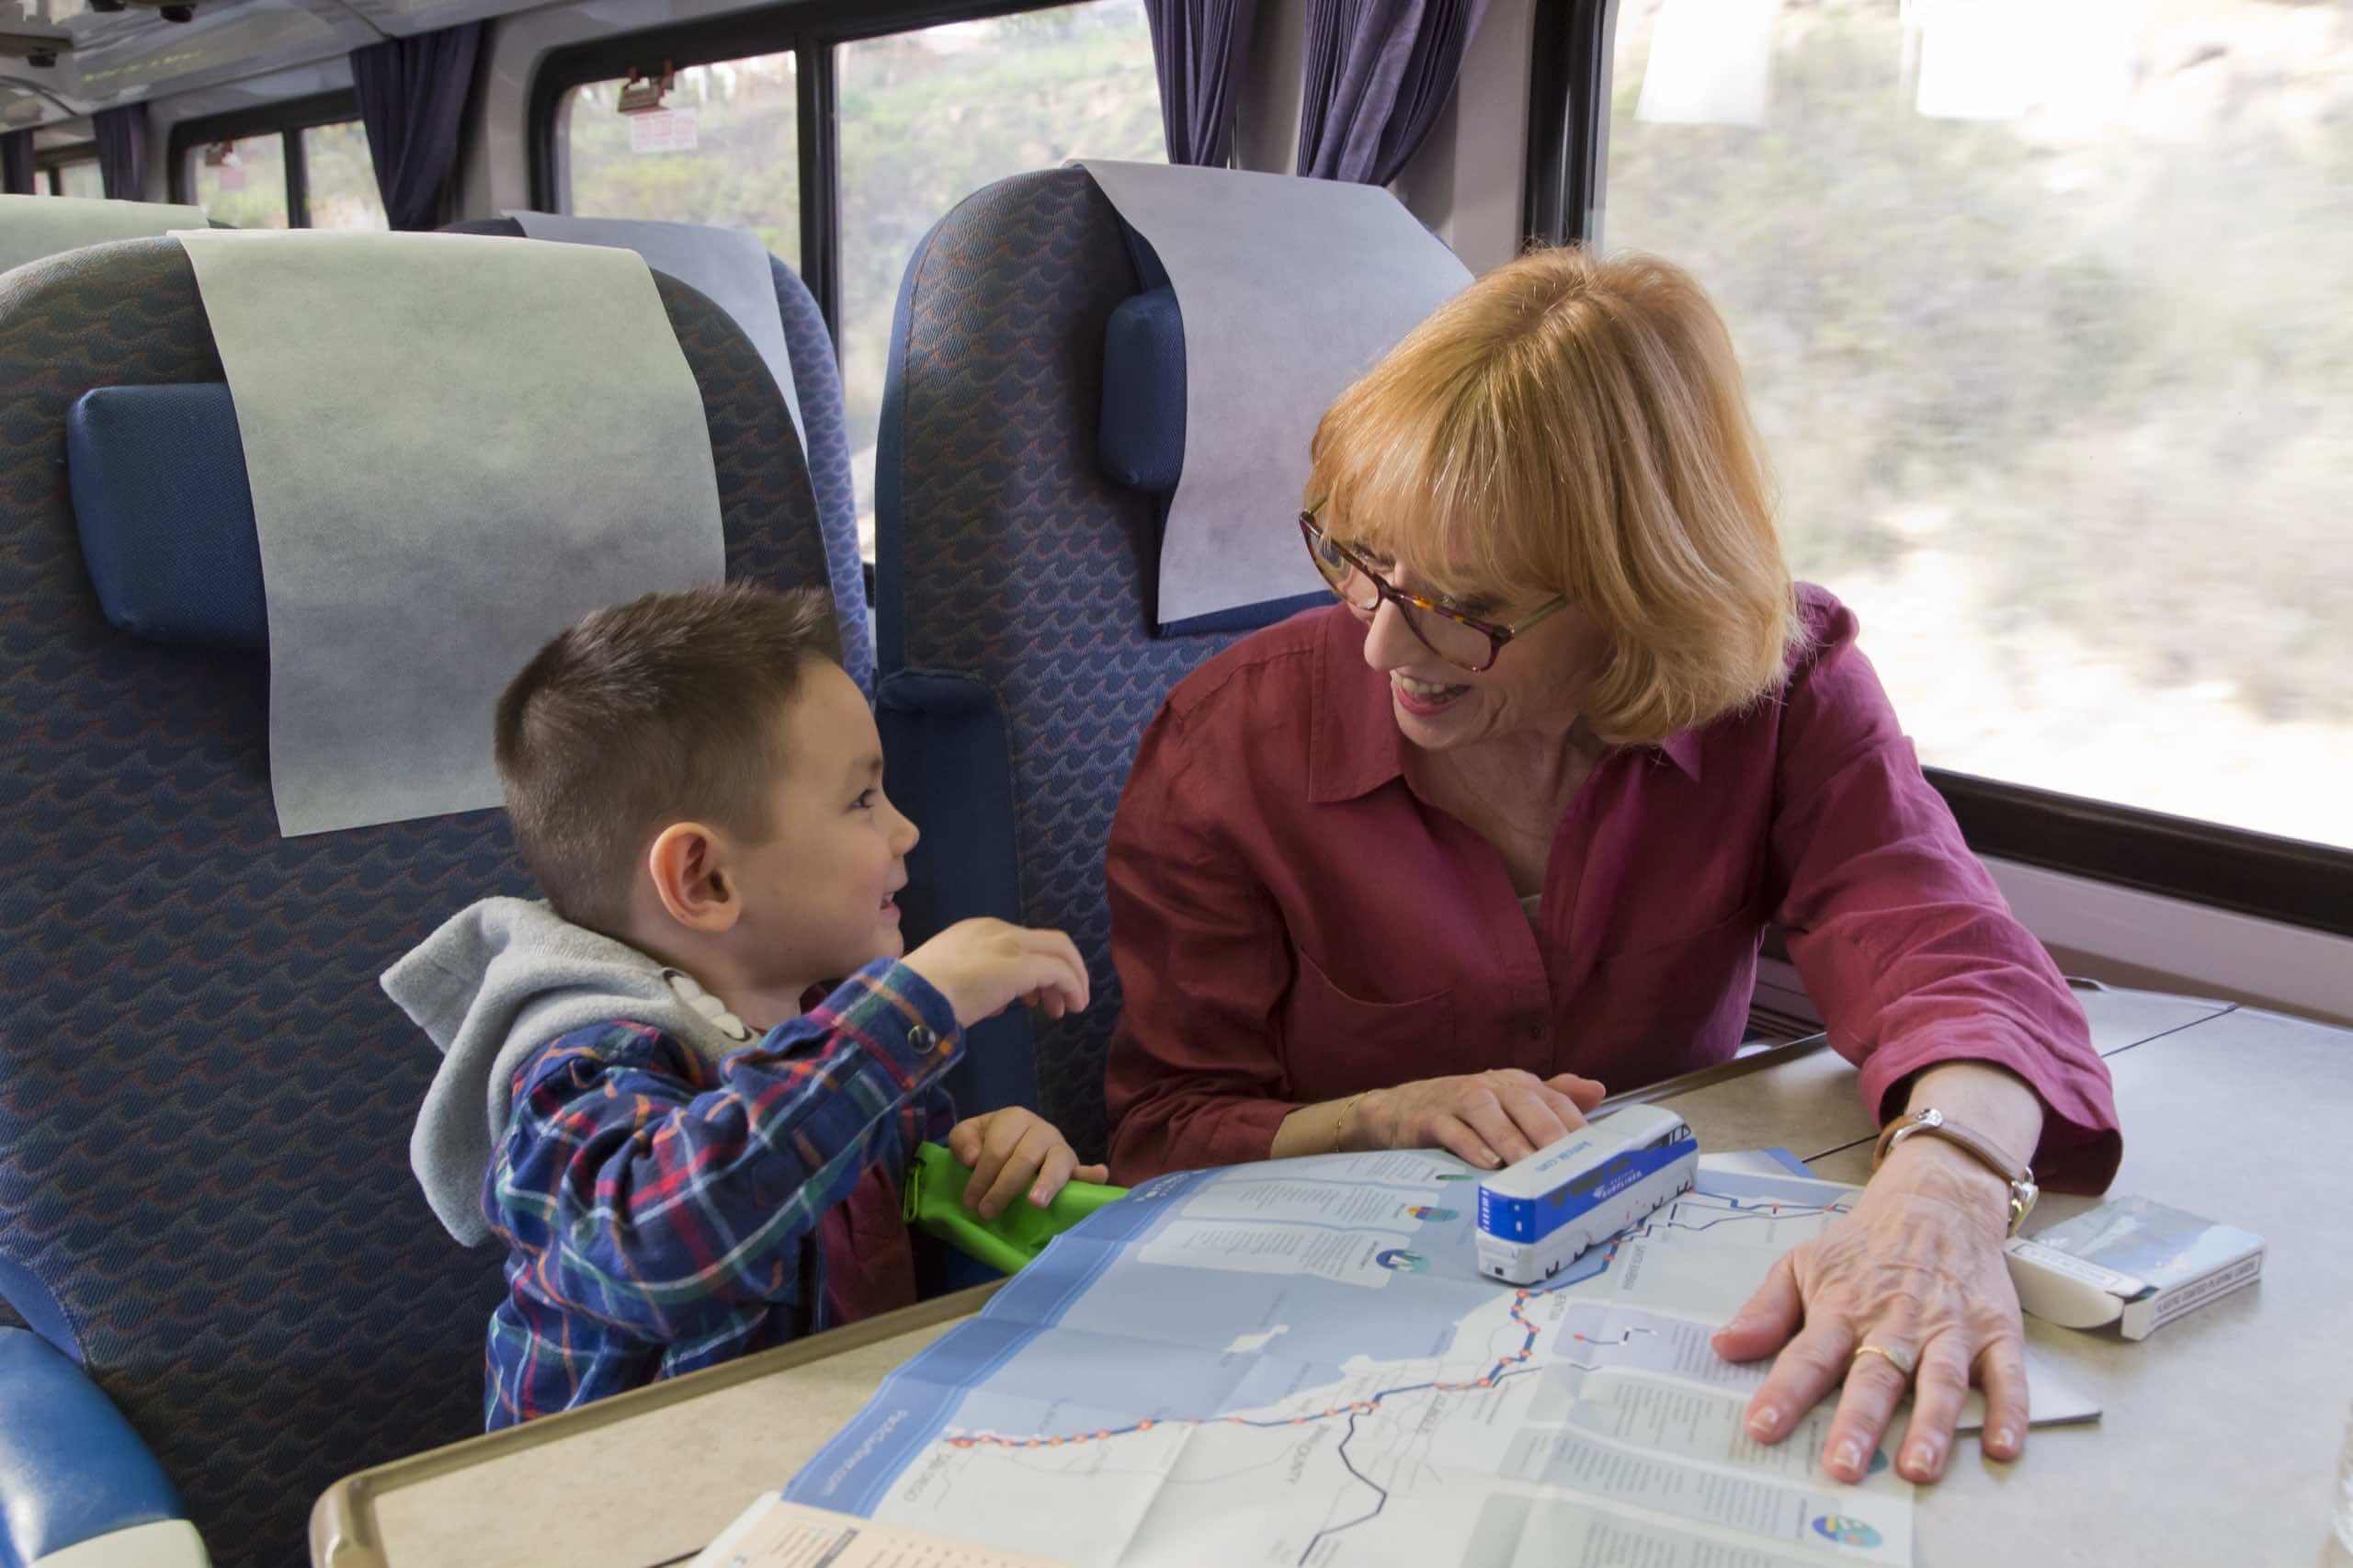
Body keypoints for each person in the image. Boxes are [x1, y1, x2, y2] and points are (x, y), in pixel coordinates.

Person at [1101, 249, 2120, 1489]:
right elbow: (1163, 1129)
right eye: (1362, 561)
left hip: (1666, 1309)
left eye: (1466, 604)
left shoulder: (1783, 692)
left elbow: (1939, 945)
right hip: (1344, 1353)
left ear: (1640, 594)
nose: (1382, 643)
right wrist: (1375, 1115)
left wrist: (1949, 1181)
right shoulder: (1232, 744)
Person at [386, 584, 1098, 1429]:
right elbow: (653, 1248)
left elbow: (866, 1229)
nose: (906, 832)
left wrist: (983, 1167)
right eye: (863, 800)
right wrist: (912, 1006)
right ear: (706, 880)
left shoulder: (823, 1022)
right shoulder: (583, 1072)